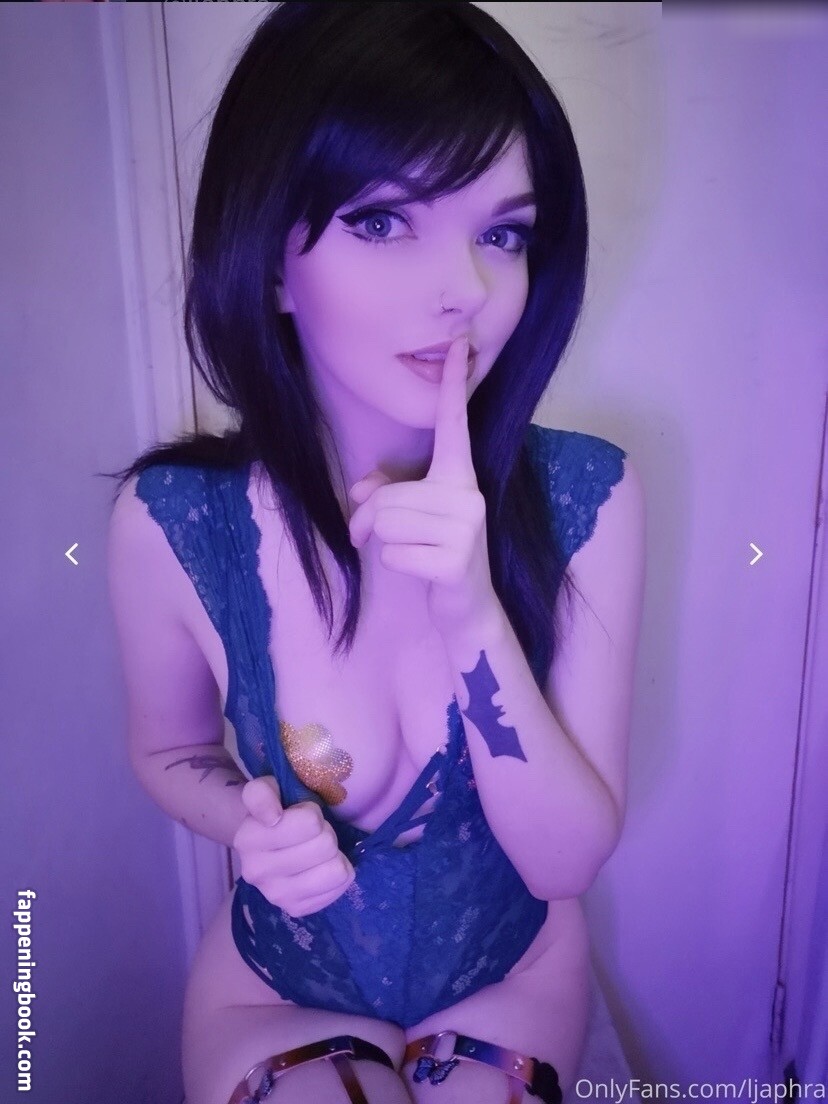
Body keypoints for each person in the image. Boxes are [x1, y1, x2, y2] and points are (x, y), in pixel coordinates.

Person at [106, 3, 646, 1102]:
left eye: (504, 234)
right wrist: (244, 821)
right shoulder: (177, 523)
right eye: (385, 220)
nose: (469, 291)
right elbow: (169, 750)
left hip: (511, 973)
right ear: (269, 262)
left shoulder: (587, 497)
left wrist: (473, 612)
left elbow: (564, 861)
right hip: (277, 989)